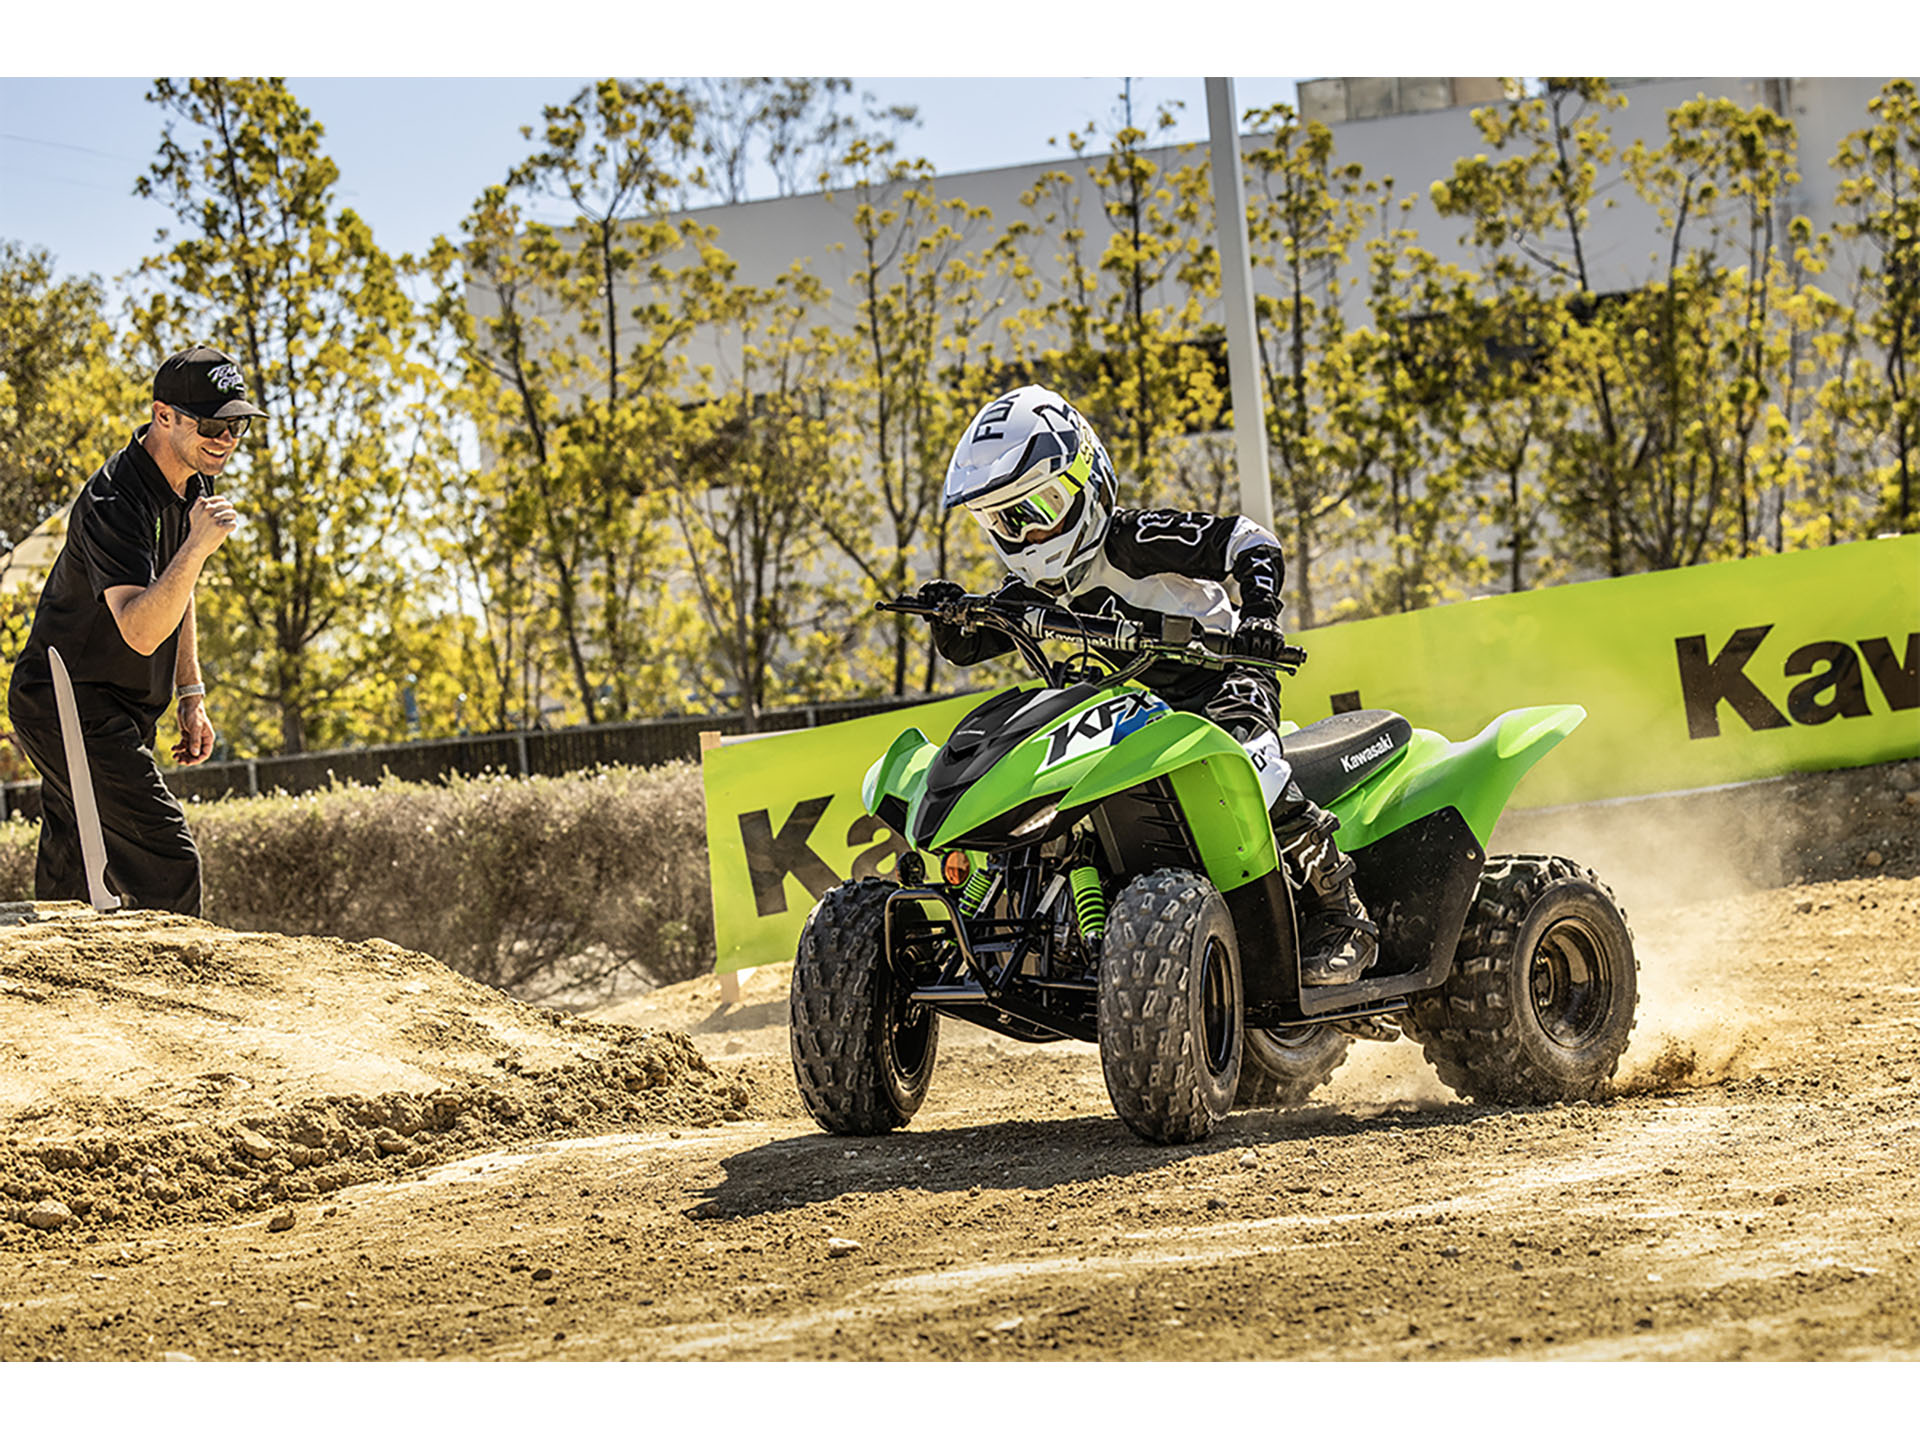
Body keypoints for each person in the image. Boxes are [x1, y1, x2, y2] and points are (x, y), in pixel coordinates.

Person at [919, 383, 1378, 985]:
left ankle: (1343, 915)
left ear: (1086, 483)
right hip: (1127, 707)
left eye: (1036, 511)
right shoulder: (1036, 587)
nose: (1025, 535)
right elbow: (971, 646)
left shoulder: (1137, 538)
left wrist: (1261, 615)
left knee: (1251, 764)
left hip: (1219, 680)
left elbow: (1250, 540)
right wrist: (949, 614)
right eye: (1003, 520)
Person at [6, 343, 256, 915]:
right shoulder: (114, 500)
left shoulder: (192, 483)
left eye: (237, 426)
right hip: (68, 701)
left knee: (74, 866)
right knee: (167, 863)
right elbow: (140, 631)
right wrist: (197, 547)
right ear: (163, 415)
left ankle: (54, 972)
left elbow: (177, 590)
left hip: (120, 706)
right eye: (212, 426)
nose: (225, 440)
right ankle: (181, 976)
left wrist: (190, 693)